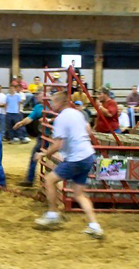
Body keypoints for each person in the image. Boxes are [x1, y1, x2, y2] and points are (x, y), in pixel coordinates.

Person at [34, 91, 103, 239]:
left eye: (53, 102)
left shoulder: (61, 119)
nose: (52, 105)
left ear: (61, 102)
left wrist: (44, 154)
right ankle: (94, 226)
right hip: (88, 155)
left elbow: (58, 144)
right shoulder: (77, 113)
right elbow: (89, 130)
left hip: (76, 158)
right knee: (78, 193)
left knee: (49, 180)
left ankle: (52, 214)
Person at [14, 91, 46, 187]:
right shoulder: (38, 107)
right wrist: (21, 123)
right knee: (34, 156)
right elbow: (29, 118)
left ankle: (30, 179)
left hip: (53, 136)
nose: (37, 97)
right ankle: (30, 179)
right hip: (43, 136)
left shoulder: (52, 106)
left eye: (39, 95)